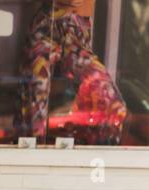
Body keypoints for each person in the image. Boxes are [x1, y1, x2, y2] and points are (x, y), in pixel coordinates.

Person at [18, 0, 126, 145]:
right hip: (48, 21)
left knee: (110, 101)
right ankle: (28, 158)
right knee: (34, 103)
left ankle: (93, 158)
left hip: (76, 24)